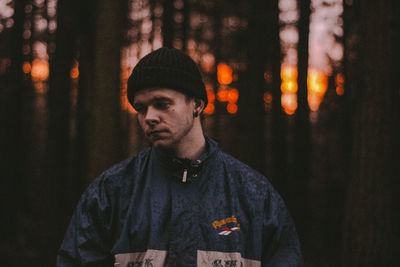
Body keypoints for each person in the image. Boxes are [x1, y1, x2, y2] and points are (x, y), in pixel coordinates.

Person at [57, 47, 303, 267]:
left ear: (197, 105)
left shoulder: (254, 196)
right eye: (141, 108)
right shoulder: (111, 193)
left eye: (162, 104)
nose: (149, 117)